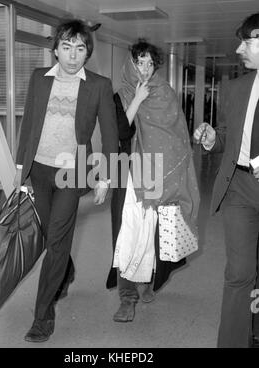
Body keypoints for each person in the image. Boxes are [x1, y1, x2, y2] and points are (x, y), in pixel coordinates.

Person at [14, 19, 118, 343]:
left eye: (80, 48)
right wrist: (21, 173)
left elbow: (111, 134)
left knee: (57, 242)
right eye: (66, 47)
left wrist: (106, 177)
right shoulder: (38, 79)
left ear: (88, 52)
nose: (73, 56)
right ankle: (67, 271)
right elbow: (29, 123)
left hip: (72, 173)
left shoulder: (99, 85)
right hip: (39, 171)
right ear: (55, 49)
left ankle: (42, 316)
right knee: (51, 237)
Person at [106, 39, 200, 322]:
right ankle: (127, 298)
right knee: (128, 235)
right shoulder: (120, 95)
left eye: (150, 64)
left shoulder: (166, 93)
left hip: (158, 175)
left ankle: (145, 282)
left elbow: (177, 136)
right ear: (131, 63)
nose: (145, 70)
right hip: (129, 174)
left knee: (151, 235)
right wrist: (136, 99)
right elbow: (121, 132)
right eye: (140, 62)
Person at [194, 12, 259, 348]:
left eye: (246, 41)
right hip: (239, 187)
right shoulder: (236, 88)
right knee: (239, 273)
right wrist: (210, 139)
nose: (238, 49)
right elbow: (227, 137)